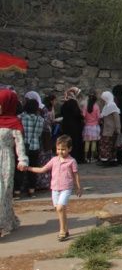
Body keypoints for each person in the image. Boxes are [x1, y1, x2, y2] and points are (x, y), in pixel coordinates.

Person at [25, 135, 82, 241]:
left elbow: (76, 174)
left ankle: (61, 231)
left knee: (60, 208)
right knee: (59, 209)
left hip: (66, 188)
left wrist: (78, 187)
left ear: (69, 149)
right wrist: (28, 168)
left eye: (63, 149)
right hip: (55, 189)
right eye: (58, 149)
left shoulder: (71, 161)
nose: (60, 151)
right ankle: (66, 229)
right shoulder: (54, 160)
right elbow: (42, 169)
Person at [1, 89, 29, 237]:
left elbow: (19, 144)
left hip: (5, 160)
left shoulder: (14, 123)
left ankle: (4, 222)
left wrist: (22, 159)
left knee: (4, 192)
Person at [15, 98, 44, 198]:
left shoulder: (20, 117)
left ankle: (17, 191)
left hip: (22, 147)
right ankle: (32, 190)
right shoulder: (40, 119)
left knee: (20, 169)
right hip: (35, 146)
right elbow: (39, 134)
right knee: (33, 169)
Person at [60, 87, 84, 164]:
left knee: (67, 141)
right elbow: (77, 114)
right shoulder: (74, 103)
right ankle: (75, 158)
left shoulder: (65, 103)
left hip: (66, 125)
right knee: (75, 142)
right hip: (74, 126)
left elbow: (62, 113)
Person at [97, 91, 121, 166]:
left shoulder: (112, 106)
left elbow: (117, 119)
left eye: (103, 99)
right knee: (107, 145)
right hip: (106, 129)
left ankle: (109, 160)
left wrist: (118, 129)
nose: (102, 100)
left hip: (111, 130)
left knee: (108, 145)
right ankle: (107, 160)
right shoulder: (106, 106)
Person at [81, 91, 101, 163]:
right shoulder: (96, 107)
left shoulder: (85, 107)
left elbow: (83, 116)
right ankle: (92, 158)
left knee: (87, 142)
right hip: (95, 127)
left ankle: (85, 157)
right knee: (94, 143)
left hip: (87, 127)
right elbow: (99, 117)